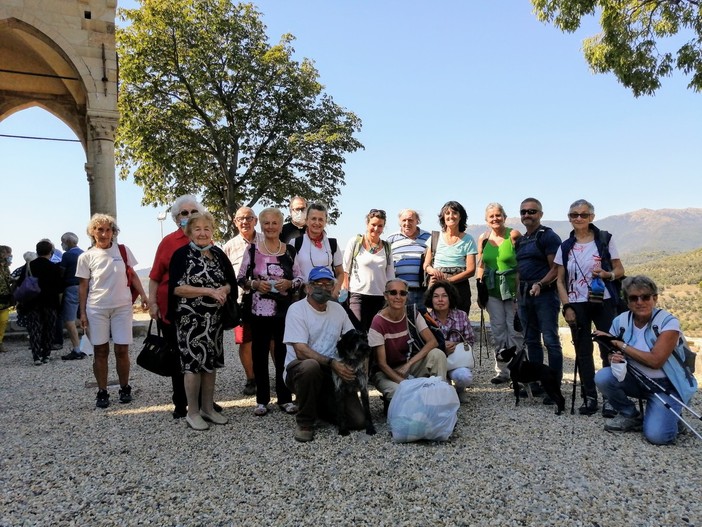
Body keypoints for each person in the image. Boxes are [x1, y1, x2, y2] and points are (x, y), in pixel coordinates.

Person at [595, 275, 697, 445]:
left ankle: (671, 416)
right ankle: (631, 415)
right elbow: (611, 352)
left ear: (655, 298)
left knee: (658, 437)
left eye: (646, 297)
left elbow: (656, 361)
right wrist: (614, 357)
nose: (640, 302)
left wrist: (622, 346)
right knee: (603, 377)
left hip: (666, 386)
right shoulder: (620, 322)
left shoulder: (668, 322)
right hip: (636, 379)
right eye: (633, 298)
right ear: (627, 302)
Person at [556, 199, 625, 416]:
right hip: (576, 303)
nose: (578, 218)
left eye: (583, 215)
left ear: (591, 217)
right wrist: (566, 305)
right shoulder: (565, 246)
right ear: (569, 218)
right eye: (574, 215)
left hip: (603, 300)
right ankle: (590, 396)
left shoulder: (604, 239)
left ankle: (610, 397)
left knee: (609, 348)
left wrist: (608, 275)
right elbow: (560, 280)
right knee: (583, 351)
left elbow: (619, 268)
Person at [149, 195, 216, 418]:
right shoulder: (168, 242)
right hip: (174, 309)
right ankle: (182, 403)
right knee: (179, 356)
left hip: (203, 310)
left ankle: (204, 404)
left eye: (191, 212)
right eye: (183, 213)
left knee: (204, 355)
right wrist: (153, 303)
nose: (188, 216)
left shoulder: (206, 239)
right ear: (176, 218)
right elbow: (155, 276)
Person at [169, 211, 235, 431]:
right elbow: (177, 288)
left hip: (213, 321)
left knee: (211, 364)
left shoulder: (216, 254)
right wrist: (207, 291)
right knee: (193, 366)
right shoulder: (181, 255)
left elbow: (229, 282)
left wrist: (223, 290)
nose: (202, 233)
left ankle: (208, 408)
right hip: (191, 321)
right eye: (197, 229)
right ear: (189, 232)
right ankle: (193, 412)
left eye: (207, 228)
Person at [76, 214, 148, 408]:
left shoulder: (123, 251)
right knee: (100, 350)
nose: (104, 233)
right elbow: (83, 286)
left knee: (122, 349)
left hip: (122, 307)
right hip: (97, 308)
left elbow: (132, 276)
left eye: (108, 229)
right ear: (92, 232)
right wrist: (82, 312)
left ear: (113, 232)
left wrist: (143, 296)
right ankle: (102, 391)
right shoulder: (86, 257)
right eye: (100, 229)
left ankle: (125, 387)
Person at [284, 266, 361, 442]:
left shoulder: (338, 310)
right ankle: (305, 422)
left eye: (328, 284)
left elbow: (352, 338)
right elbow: (300, 351)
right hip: (300, 370)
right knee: (311, 366)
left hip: (331, 372)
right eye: (318, 284)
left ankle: (317, 404)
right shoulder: (296, 310)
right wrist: (333, 363)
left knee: (358, 421)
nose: (323, 288)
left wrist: (354, 362)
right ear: (308, 287)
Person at [238, 207, 303, 416]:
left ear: (280, 225)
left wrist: (289, 283)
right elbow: (240, 278)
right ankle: (262, 400)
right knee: (259, 354)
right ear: (261, 225)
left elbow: (300, 279)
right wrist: (255, 285)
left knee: (283, 355)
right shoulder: (252, 250)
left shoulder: (290, 251)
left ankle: (284, 398)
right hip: (258, 312)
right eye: (266, 223)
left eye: (275, 223)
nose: (271, 227)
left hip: (284, 312)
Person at [369, 278, 448, 403]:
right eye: (393, 293)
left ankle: (439, 399)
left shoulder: (412, 313)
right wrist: (405, 384)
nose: (398, 297)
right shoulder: (378, 322)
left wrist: (408, 364)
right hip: (386, 372)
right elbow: (381, 364)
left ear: (407, 296)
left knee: (437, 354)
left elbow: (432, 342)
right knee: (402, 392)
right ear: (385, 296)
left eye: (403, 293)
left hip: (408, 364)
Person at [515, 198, 564, 399]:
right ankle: (536, 382)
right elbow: (520, 270)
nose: (527, 215)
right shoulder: (520, 240)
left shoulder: (549, 237)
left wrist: (540, 285)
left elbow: (556, 268)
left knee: (551, 340)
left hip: (544, 295)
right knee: (532, 341)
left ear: (540, 214)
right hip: (525, 295)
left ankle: (553, 386)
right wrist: (517, 296)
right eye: (524, 211)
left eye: (532, 211)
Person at [476, 203, 522, 384]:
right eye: (491, 216)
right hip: (492, 290)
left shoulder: (514, 235)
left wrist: (519, 293)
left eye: (498, 215)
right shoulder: (484, 238)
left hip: (512, 290)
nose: (495, 219)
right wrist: (480, 291)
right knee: (498, 331)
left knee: (515, 331)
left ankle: (518, 370)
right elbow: (481, 265)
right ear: (486, 220)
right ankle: (502, 371)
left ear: (504, 216)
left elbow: (521, 264)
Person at [222, 206, 263, 396]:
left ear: (255, 220)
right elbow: (224, 275)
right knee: (245, 341)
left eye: (249, 218)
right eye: (241, 219)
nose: (245, 222)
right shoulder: (229, 246)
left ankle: (276, 376)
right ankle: (251, 378)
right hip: (241, 301)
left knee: (271, 340)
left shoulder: (266, 240)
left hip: (267, 298)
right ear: (235, 222)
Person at [342, 209, 395, 331]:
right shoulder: (355, 242)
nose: (376, 229)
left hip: (379, 298)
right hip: (357, 295)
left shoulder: (387, 247)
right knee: (357, 331)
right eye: (373, 225)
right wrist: (344, 293)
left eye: (380, 226)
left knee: (376, 334)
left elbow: (390, 275)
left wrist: (390, 297)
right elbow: (345, 270)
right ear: (367, 224)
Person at [424, 280, 474, 402]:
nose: (440, 300)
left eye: (444, 296)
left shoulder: (461, 315)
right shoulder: (426, 319)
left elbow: (470, 341)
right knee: (443, 392)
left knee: (464, 377)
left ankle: (460, 390)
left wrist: (455, 344)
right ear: (431, 299)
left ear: (450, 298)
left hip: (457, 361)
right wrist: (441, 347)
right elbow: (422, 345)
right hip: (435, 364)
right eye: (436, 296)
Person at [423, 201, 477, 313]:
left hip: (459, 283)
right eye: (447, 213)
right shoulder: (435, 237)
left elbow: (471, 270)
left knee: (459, 319)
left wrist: (449, 281)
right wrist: (432, 270)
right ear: (443, 217)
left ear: (460, 216)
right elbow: (426, 265)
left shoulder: (468, 239)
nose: (451, 216)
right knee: (435, 321)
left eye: (454, 213)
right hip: (437, 281)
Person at [15, 240, 64, 365]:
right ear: (50, 252)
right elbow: (59, 288)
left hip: (32, 302)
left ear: (37, 251)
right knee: (49, 329)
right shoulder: (54, 267)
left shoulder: (29, 266)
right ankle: (46, 355)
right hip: (50, 302)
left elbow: (20, 283)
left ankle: (36, 356)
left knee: (35, 329)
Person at [292, 203, 343, 300]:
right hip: (303, 296)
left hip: (328, 295)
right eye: (313, 219)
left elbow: (340, 272)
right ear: (307, 221)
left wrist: (336, 289)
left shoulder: (332, 244)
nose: (317, 223)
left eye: (320, 219)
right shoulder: (295, 243)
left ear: (325, 222)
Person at [386, 209, 431, 306]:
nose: (407, 223)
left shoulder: (428, 238)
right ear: (400, 222)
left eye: (410, 220)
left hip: (423, 292)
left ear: (417, 221)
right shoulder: (391, 239)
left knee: (422, 320)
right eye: (404, 220)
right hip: (399, 293)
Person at [58, 232, 86, 361]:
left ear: (67, 241)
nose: (62, 244)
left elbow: (61, 273)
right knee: (84, 317)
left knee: (69, 320)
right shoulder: (84, 253)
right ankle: (89, 347)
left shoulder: (67, 255)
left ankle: (76, 349)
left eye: (62, 241)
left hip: (72, 287)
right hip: (86, 287)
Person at [0, 245, 13, 353]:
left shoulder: (5, 267)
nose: (10, 256)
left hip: (4, 297)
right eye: (9, 253)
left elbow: (8, 278)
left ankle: (0, 342)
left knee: (4, 320)